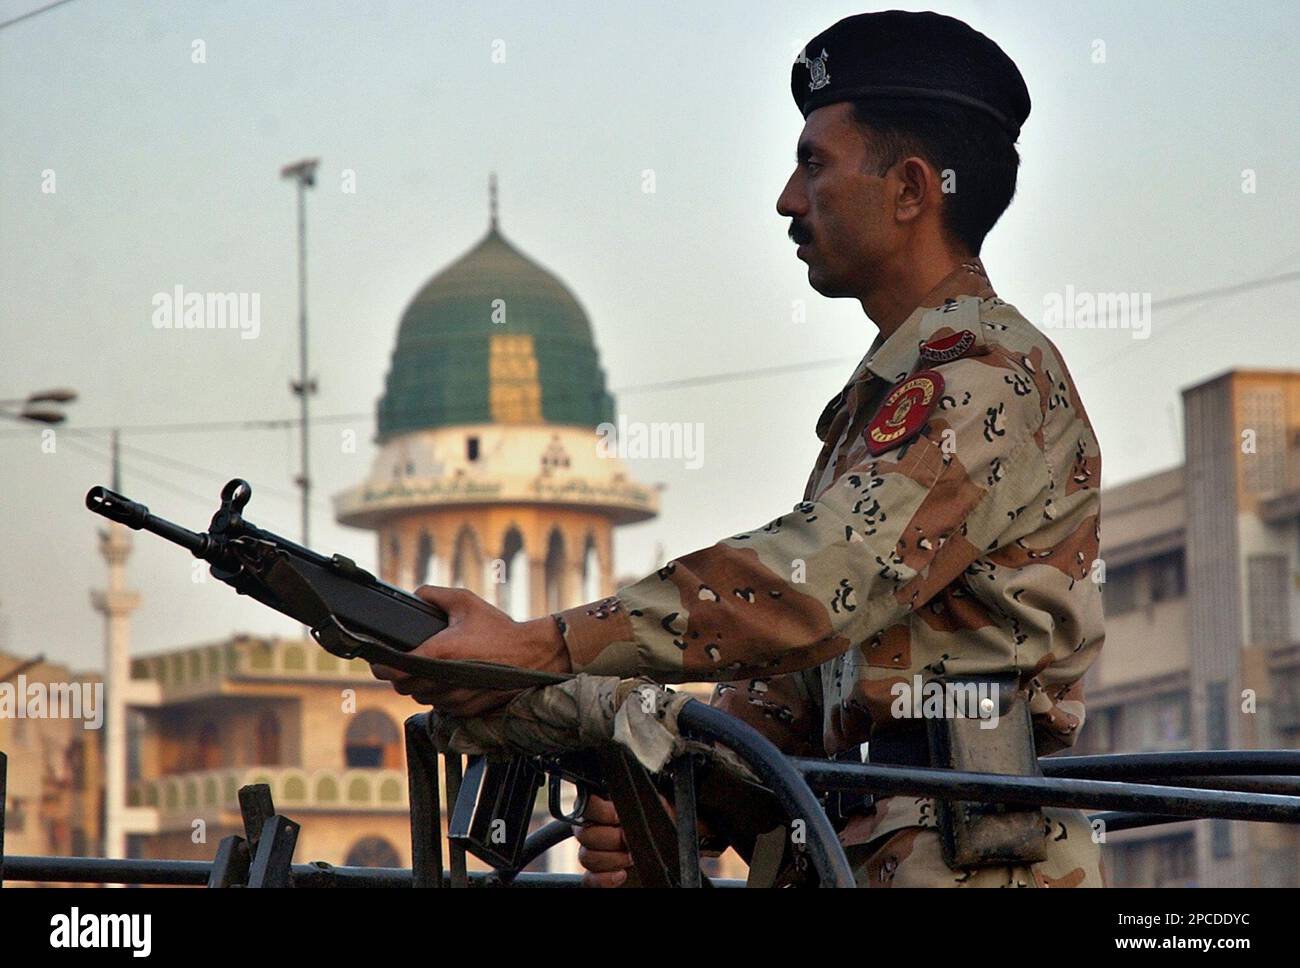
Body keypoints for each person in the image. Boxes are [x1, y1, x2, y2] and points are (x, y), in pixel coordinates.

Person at [372, 10, 1106, 888]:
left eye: (815, 164)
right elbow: (788, 703)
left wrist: (543, 646)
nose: (789, 199)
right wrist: (674, 794)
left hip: (975, 864)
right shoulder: (892, 401)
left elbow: (810, 589)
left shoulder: (985, 375)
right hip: (861, 845)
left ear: (912, 189)